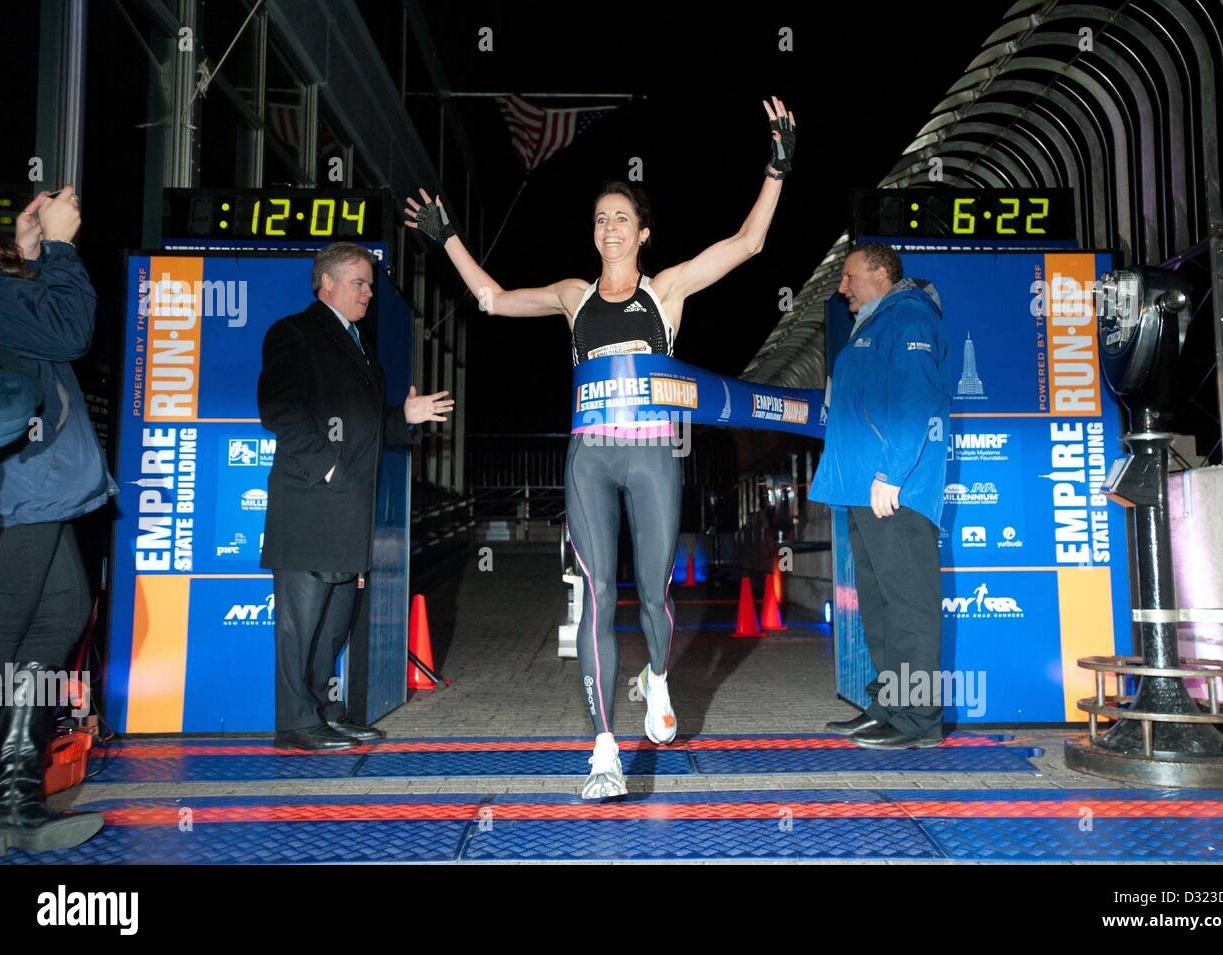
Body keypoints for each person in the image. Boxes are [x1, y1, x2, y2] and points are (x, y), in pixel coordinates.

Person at [406, 96, 796, 798]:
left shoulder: (666, 291)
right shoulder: (571, 296)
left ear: (643, 233)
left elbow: (746, 245)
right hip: (591, 457)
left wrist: (776, 167)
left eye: (622, 218)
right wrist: (449, 238)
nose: (609, 227)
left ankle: (658, 678)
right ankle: (603, 751)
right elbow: (492, 300)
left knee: (652, 592)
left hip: (651, 457)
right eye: (600, 219)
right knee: (595, 593)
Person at [258, 242, 454, 751]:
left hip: (346, 511)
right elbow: (279, 410)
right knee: (299, 626)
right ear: (327, 283)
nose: (369, 292)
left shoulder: (357, 343)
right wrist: (327, 468)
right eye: (359, 282)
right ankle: (295, 723)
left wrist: (402, 419)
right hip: (310, 507)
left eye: (369, 283)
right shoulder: (294, 333)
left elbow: (368, 427)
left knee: (333, 624)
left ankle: (324, 710)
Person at [0, 173, 115, 856]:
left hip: (40, 482)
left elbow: (31, 335)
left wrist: (33, 256)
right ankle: (8, 797)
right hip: (18, 483)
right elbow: (68, 331)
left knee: (60, 612)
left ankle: (15, 796)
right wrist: (62, 250)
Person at [811, 243, 951, 749]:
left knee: (908, 609)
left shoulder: (908, 317)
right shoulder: (874, 323)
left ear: (879, 273)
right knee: (880, 608)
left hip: (895, 491)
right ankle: (890, 708)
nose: (841, 288)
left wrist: (891, 474)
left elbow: (916, 400)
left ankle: (920, 721)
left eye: (849, 277)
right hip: (864, 491)